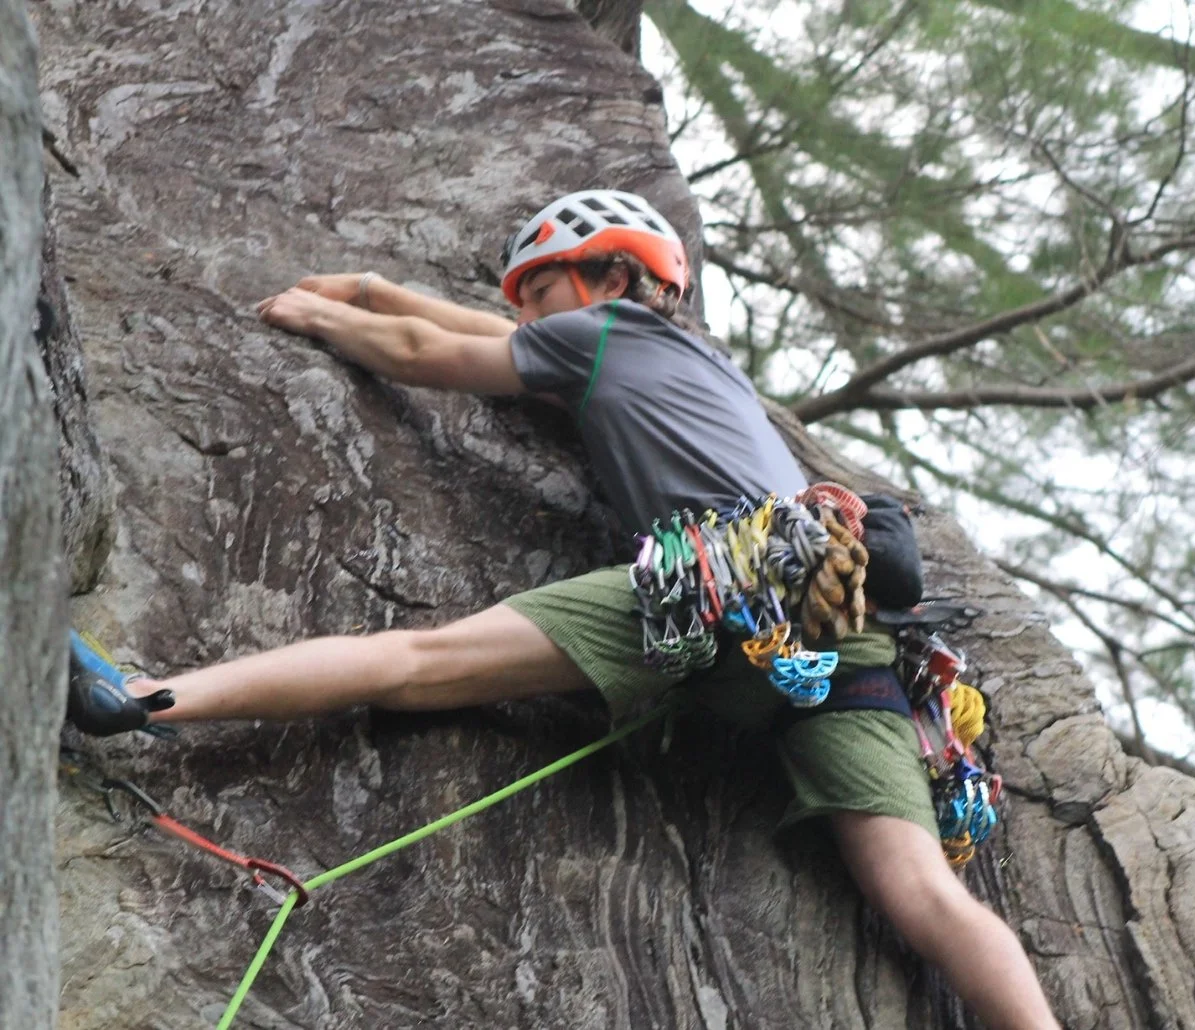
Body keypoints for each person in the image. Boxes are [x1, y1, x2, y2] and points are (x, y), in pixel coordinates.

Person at [66, 190, 1061, 1030]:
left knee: (417, 662)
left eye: (544, 288)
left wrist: (319, 314)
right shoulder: (685, 367)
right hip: (848, 646)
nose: (534, 316)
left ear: (612, 282)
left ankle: (142, 696)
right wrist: (367, 287)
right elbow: (494, 335)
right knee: (925, 894)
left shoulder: (616, 334)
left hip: (727, 583)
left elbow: (427, 348)